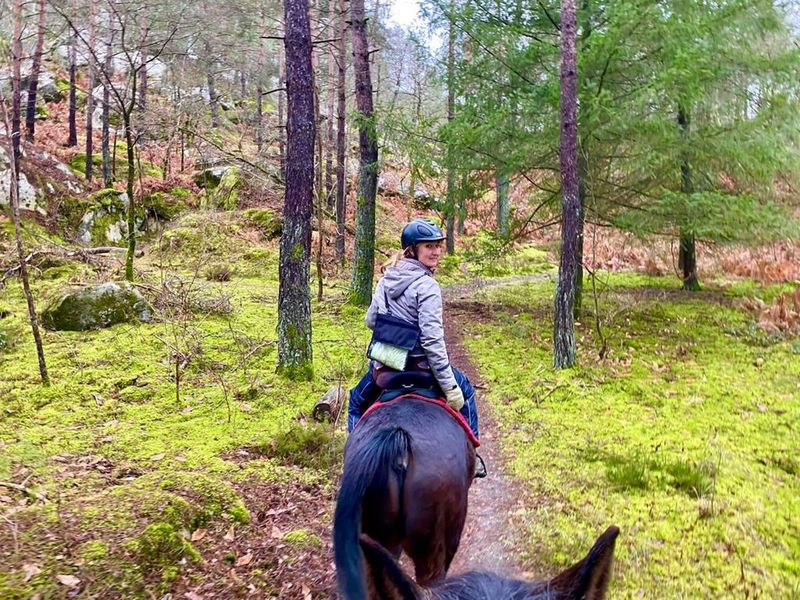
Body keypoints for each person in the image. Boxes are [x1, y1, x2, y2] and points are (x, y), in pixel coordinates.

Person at [347, 218, 485, 476]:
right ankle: (473, 456)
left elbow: (370, 320)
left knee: (356, 401)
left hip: (387, 361)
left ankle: (356, 458)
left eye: (438, 246)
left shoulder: (386, 279)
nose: (435, 252)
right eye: (428, 246)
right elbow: (433, 341)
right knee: (466, 390)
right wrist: (449, 386)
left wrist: (395, 330)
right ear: (412, 249)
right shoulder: (427, 286)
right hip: (421, 365)